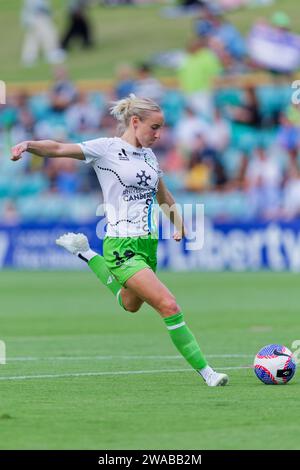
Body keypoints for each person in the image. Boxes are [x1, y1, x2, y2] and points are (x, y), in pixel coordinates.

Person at [11, 94, 228, 387]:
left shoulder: (150, 157)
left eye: (161, 128)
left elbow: (163, 195)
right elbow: (61, 147)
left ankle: (86, 253)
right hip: (121, 246)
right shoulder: (107, 149)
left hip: (147, 245)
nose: (159, 134)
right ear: (135, 122)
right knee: (169, 305)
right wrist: (29, 145)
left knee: (130, 305)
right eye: (154, 127)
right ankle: (208, 373)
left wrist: (179, 224)